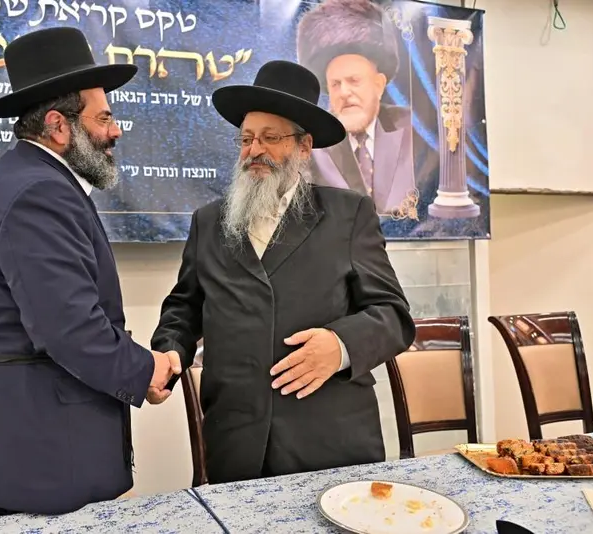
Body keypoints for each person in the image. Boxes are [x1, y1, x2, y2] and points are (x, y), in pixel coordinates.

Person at [0, 27, 181, 519]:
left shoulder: (28, 177)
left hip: (27, 437)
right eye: (104, 117)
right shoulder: (39, 192)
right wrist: (146, 370)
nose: (116, 131)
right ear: (58, 125)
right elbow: (68, 327)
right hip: (40, 448)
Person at [150, 60, 416, 484]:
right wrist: (169, 351)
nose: (254, 150)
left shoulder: (348, 214)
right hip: (235, 443)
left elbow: (394, 317)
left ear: (304, 146)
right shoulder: (209, 221)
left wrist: (340, 345)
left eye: (271, 138)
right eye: (247, 139)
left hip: (329, 442)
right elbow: (185, 307)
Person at [296, 0, 416, 215]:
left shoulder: (414, 129)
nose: (344, 92)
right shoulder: (311, 144)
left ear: (379, 85)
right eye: (335, 84)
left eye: (354, 80)